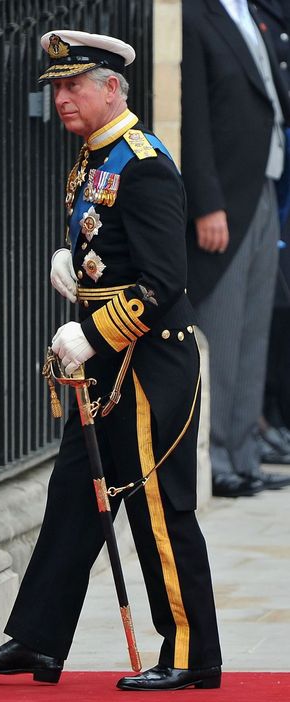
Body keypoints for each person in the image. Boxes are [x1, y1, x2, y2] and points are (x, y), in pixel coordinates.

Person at [0, 29, 222, 691]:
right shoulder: (91, 157)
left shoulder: (144, 162)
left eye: (74, 86)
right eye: (57, 87)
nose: (62, 98)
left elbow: (163, 282)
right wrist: (72, 268)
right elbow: (112, 246)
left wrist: (93, 331)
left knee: (159, 506)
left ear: (111, 88)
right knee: (73, 493)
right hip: (105, 362)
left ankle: (192, 653)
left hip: (148, 362)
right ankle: (39, 639)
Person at [181, 0, 290, 498]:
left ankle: (245, 454)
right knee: (222, 331)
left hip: (263, 184)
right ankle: (218, 457)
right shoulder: (193, 15)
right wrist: (207, 204)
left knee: (253, 330)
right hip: (224, 197)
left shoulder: (255, 14)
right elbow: (193, 117)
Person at [250, 0, 290, 464]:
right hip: (266, 177)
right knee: (272, 302)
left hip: (281, 165)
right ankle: (262, 418)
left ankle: (273, 415)